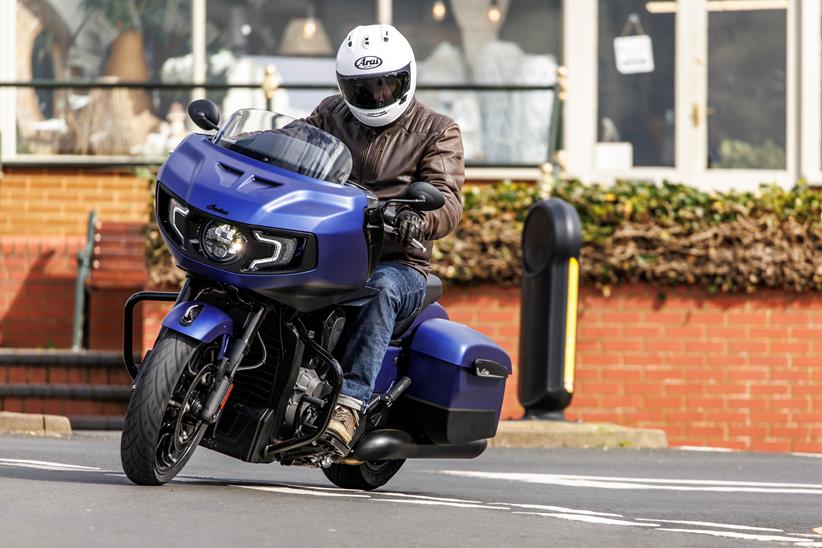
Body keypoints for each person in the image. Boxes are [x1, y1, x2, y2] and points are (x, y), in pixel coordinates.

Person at [303, 24, 465, 450]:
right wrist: (241, 145)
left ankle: (348, 404)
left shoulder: (437, 131)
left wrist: (420, 220)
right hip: (330, 252)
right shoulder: (330, 114)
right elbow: (292, 142)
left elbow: (448, 200)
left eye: (385, 84)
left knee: (382, 288)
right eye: (363, 88)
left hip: (399, 264)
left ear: (405, 79)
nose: (376, 96)